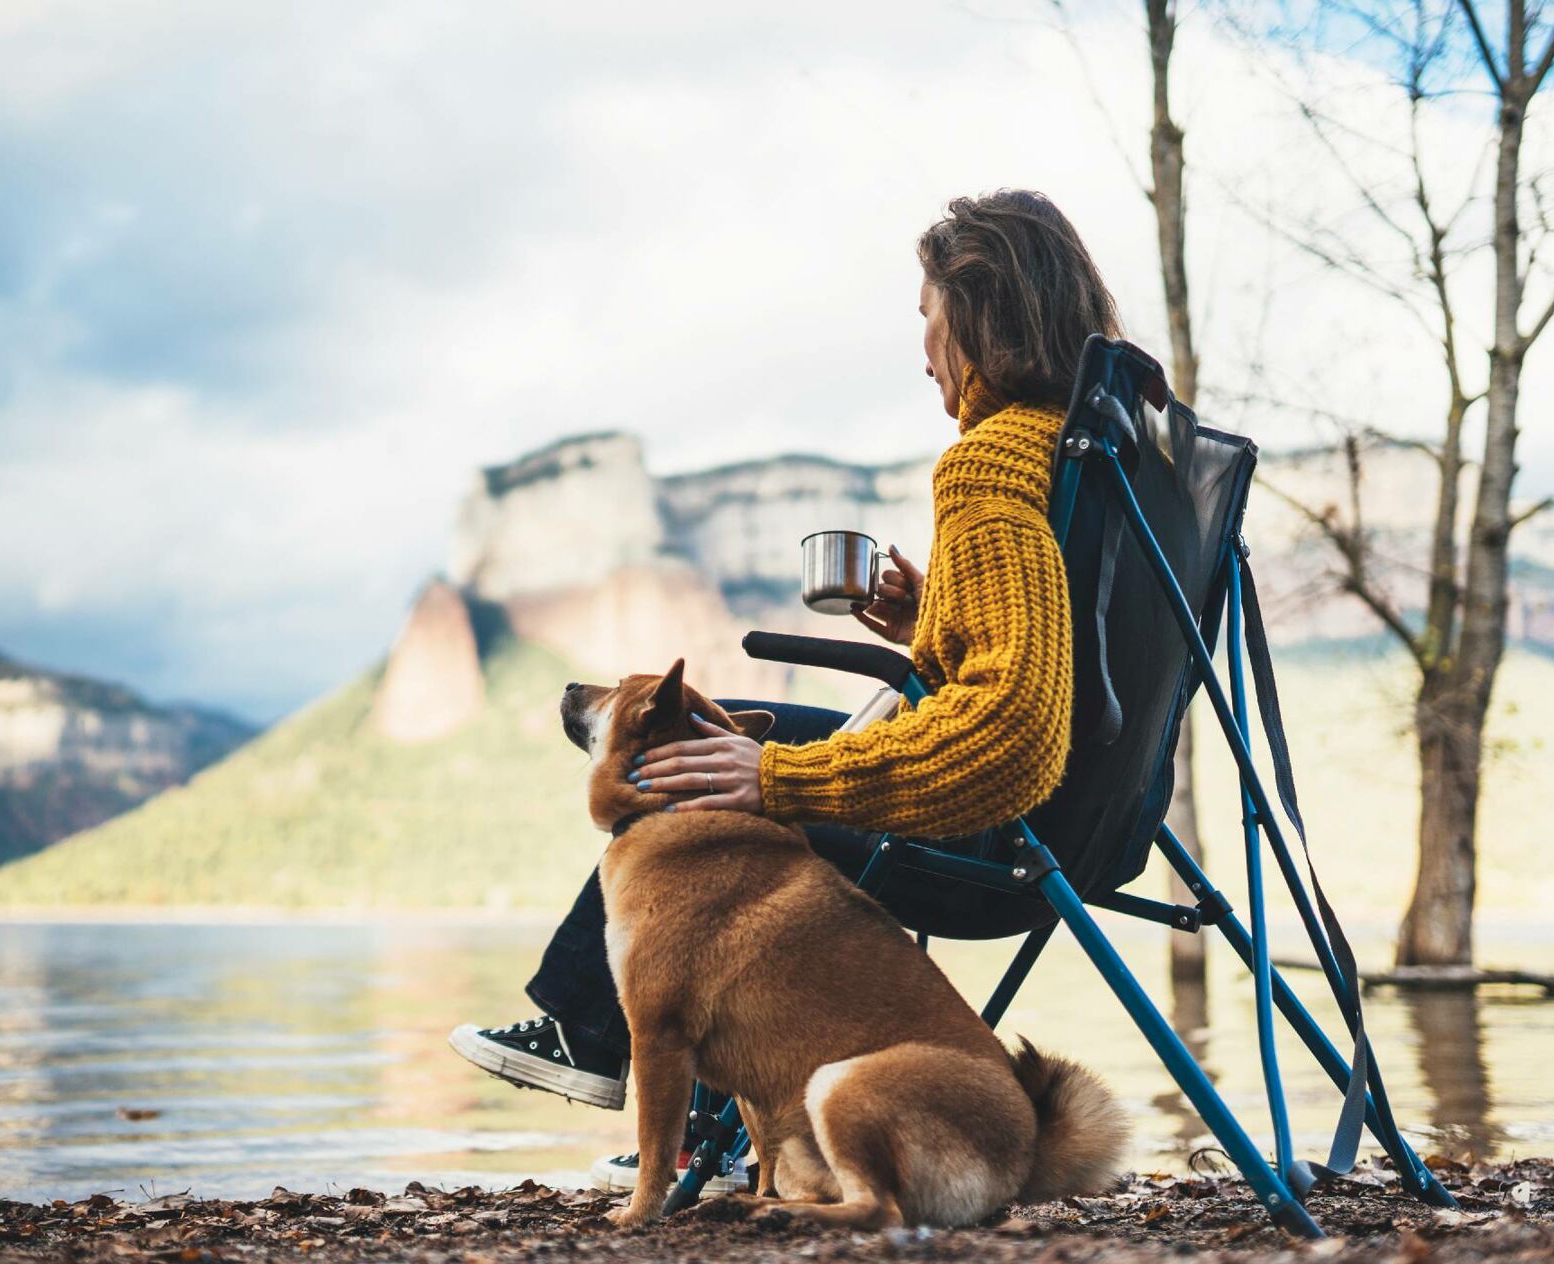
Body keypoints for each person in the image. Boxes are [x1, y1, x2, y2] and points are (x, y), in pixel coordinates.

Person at [448, 189, 1119, 1192]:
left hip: (998, 833)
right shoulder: (1094, 451)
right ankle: (667, 1084)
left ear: (978, 318)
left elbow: (1014, 730)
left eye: (928, 316)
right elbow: (1058, 658)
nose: (923, 346)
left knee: (693, 766)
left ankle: (607, 1046)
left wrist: (784, 781)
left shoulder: (989, 468)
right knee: (722, 748)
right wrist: (928, 624)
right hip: (1096, 819)